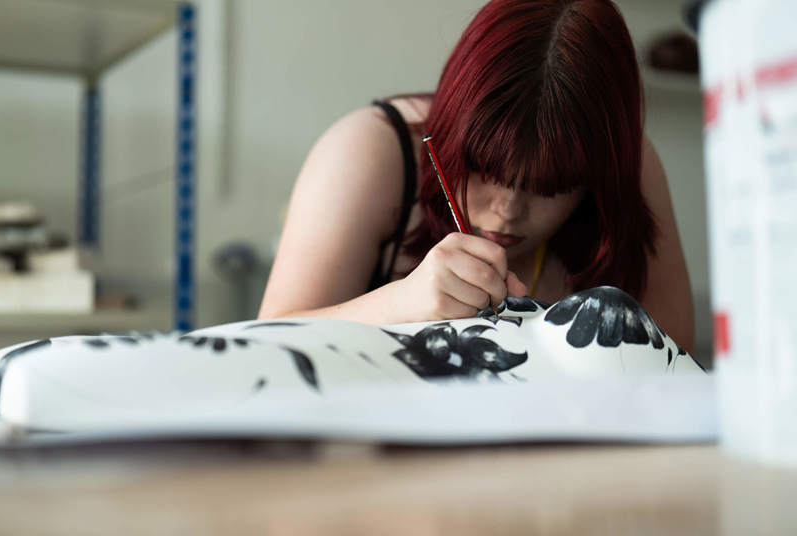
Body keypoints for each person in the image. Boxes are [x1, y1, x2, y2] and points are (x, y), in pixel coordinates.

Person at [258, 0, 695, 354]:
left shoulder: (629, 168)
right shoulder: (369, 151)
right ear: (448, 127)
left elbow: (681, 365)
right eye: (484, 168)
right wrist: (399, 304)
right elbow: (262, 342)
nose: (507, 211)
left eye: (551, 187)